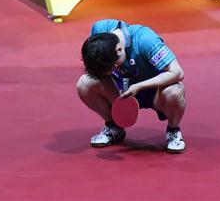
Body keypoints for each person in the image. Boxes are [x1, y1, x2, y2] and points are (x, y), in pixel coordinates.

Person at [77, 19, 186, 152]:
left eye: (113, 66)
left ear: (119, 49)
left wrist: (138, 86)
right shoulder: (99, 31)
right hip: (120, 91)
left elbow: (177, 72)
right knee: (84, 84)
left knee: (174, 91)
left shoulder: (146, 40)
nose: (112, 70)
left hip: (154, 91)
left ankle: (173, 131)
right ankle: (114, 127)